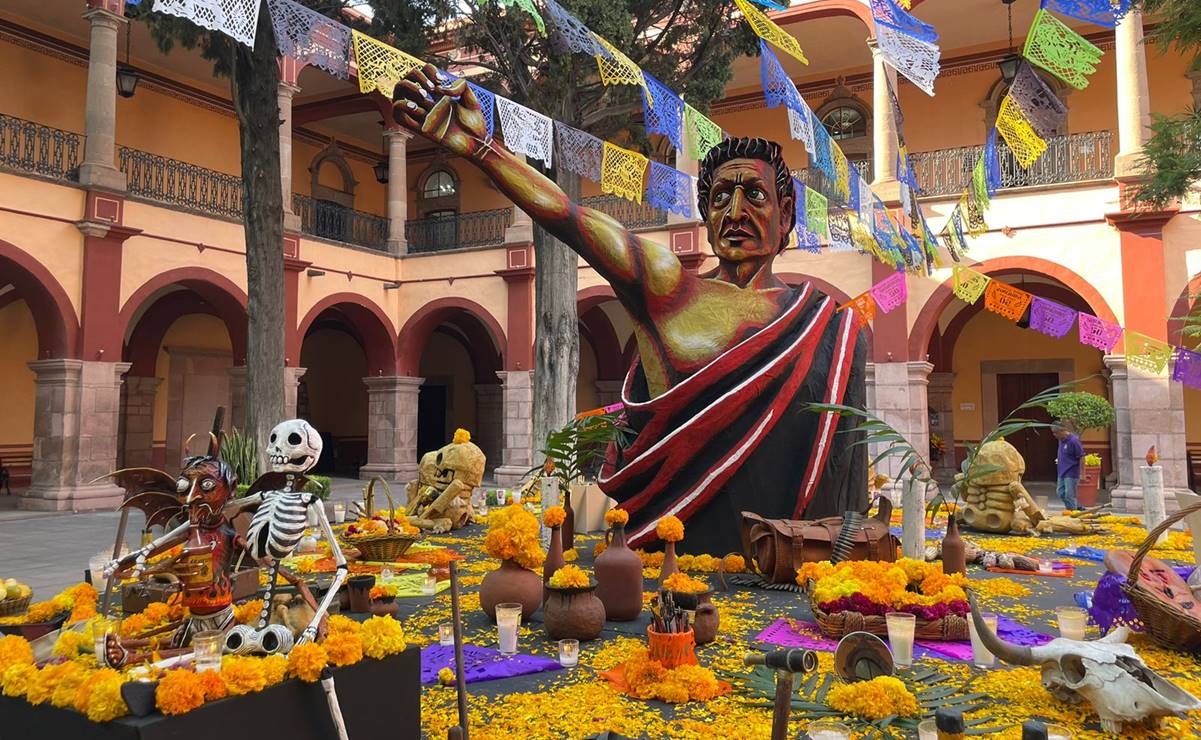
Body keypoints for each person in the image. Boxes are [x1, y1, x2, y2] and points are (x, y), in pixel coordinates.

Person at [392, 66, 868, 554]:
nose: (735, 211)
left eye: (754, 195)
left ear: (786, 213)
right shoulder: (668, 289)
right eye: (721, 198)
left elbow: (848, 474)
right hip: (672, 572)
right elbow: (569, 216)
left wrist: (854, 560)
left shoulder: (831, 324)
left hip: (795, 570)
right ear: (705, 217)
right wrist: (483, 149)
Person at [1054, 423, 1084, 511]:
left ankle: (1073, 511)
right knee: (1060, 492)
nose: (1054, 435)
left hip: (1071, 472)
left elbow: (1082, 456)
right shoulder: (1061, 440)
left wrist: (1083, 473)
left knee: (1069, 494)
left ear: (1062, 431)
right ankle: (1074, 507)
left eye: (1056, 433)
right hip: (1061, 471)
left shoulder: (1074, 441)